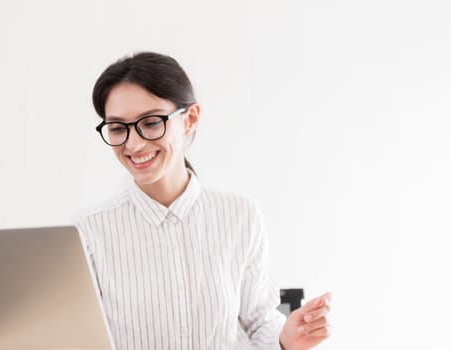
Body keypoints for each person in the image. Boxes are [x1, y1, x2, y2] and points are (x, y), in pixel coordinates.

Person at [75, 51, 332, 350]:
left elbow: (260, 319)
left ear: (190, 118)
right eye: (118, 128)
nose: (133, 144)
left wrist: (285, 338)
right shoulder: (88, 231)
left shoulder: (239, 215)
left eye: (151, 122)